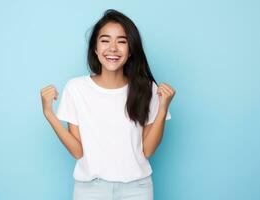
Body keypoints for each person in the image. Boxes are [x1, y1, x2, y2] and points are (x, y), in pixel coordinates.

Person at [40, 9, 176, 200]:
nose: (113, 48)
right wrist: (49, 114)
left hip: (137, 188)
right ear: (95, 48)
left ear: (130, 51)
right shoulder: (76, 88)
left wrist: (162, 110)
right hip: (90, 189)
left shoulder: (147, 89)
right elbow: (78, 151)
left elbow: (148, 150)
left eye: (121, 41)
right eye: (105, 40)